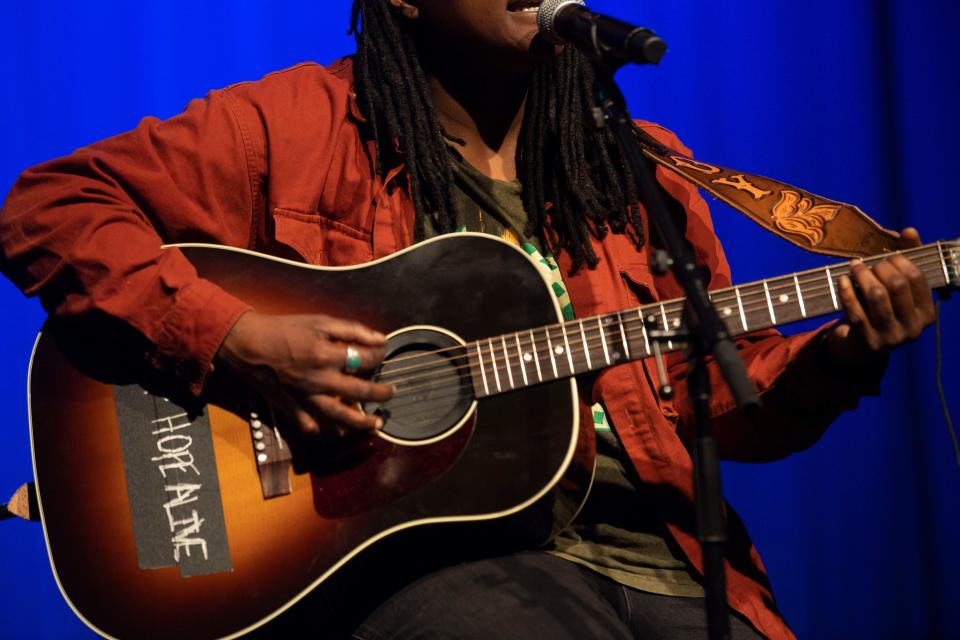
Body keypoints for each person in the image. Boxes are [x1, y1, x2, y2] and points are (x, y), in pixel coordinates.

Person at [0, 1, 936, 638]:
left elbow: (730, 410)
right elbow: (50, 206)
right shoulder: (301, 123)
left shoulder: (645, 171)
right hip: (434, 575)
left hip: (672, 562)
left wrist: (844, 356)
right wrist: (240, 341)